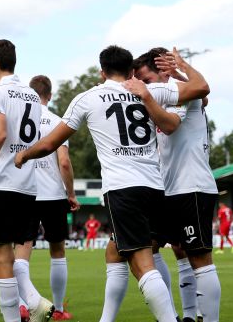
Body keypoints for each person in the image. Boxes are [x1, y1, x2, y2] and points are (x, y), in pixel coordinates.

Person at [16, 45, 188, 322]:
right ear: (131, 71)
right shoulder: (149, 91)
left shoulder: (88, 98)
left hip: (123, 189)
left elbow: (49, 144)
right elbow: (199, 90)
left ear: (101, 72)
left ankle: (170, 319)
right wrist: (182, 70)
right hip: (155, 188)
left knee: (143, 265)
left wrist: (24, 155)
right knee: (116, 252)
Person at [127, 47, 218, 322]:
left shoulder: (179, 92)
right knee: (149, 247)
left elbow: (172, 123)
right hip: (167, 188)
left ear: (163, 73)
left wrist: (180, 68)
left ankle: (204, 318)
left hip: (192, 187)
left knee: (198, 258)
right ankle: (178, 316)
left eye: (147, 79)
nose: (145, 86)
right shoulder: (162, 95)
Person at [0, 39, 53, 322]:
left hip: (2, 182)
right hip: (28, 184)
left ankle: (22, 310)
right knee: (12, 254)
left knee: (1, 255)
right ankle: (33, 300)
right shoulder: (32, 95)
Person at [11, 75, 80, 321]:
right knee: (58, 251)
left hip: (25, 192)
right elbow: (64, 162)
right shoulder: (58, 122)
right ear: (49, 95)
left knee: (21, 251)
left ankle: (22, 305)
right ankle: (58, 309)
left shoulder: (18, 120)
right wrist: (70, 193)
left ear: (30, 94)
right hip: (52, 194)